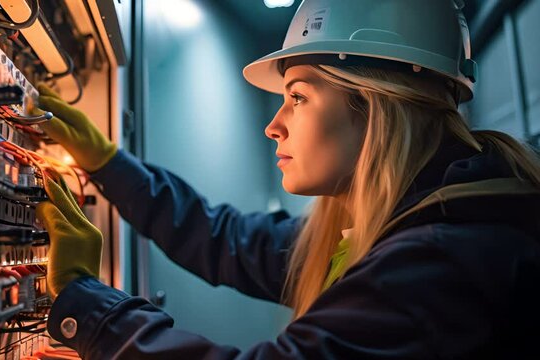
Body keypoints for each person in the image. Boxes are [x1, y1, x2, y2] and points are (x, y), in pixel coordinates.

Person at [34, 0, 540, 358]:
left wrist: (86, 302)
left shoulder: (441, 263)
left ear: (376, 106)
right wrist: (107, 163)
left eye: (297, 97)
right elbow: (221, 238)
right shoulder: (397, 225)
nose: (273, 125)